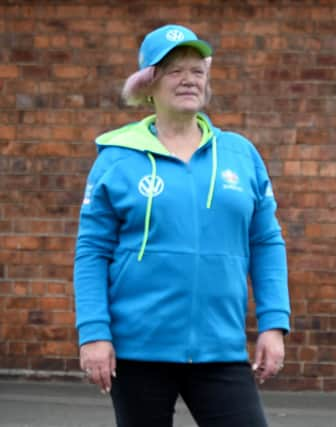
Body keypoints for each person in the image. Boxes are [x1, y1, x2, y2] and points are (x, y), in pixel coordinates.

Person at [73, 24, 290, 427]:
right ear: (148, 84)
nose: (188, 79)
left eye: (197, 70)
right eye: (174, 70)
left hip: (220, 347)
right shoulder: (117, 159)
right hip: (137, 349)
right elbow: (92, 251)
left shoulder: (239, 155)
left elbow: (266, 242)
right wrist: (93, 333)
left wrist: (274, 323)